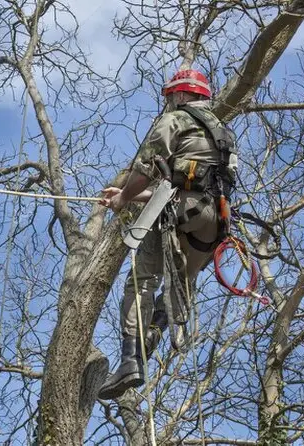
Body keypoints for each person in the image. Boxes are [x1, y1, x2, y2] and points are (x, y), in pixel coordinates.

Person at [98, 69, 237, 400]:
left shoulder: (174, 120)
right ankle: (157, 328)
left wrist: (123, 197)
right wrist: (133, 195)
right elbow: (190, 184)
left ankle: (131, 359)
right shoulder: (224, 135)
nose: (168, 103)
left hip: (178, 214)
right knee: (183, 281)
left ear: (180, 95)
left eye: (170, 97)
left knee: (141, 281)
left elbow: (147, 169)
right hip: (213, 221)